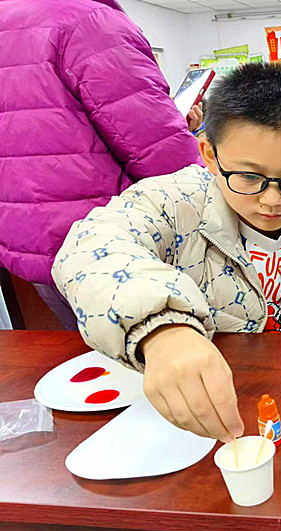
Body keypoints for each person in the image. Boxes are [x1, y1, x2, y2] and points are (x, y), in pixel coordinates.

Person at [52, 63, 281, 442]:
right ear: (210, 155)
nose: (271, 200)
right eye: (249, 176)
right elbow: (90, 248)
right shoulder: (173, 202)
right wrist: (161, 328)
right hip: (192, 432)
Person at [0, 0, 203, 330]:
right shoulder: (86, 21)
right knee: (161, 353)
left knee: (93, 355)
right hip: (109, 240)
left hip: (31, 244)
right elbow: (156, 146)